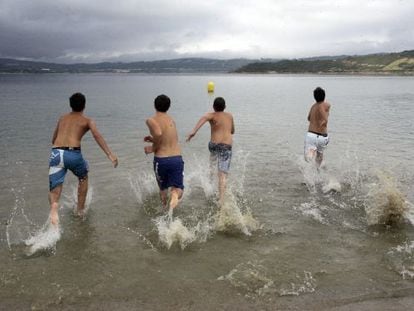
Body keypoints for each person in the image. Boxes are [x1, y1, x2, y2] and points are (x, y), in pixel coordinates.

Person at [48, 92, 118, 225]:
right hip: (73, 153)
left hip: (56, 153)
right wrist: (110, 154)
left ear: (70, 105)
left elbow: (53, 139)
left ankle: (54, 207)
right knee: (83, 177)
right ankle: (80, 211)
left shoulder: (62, 118)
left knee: (55, 187)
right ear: (84, 105)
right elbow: (97, 136)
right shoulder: (87, 120)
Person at [186, 97, 235, 204]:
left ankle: (210, 183)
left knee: (212, 165)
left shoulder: (211, 115)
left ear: (213, 107)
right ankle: (221, 200)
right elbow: (232, 131)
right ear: (225, 107)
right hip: (226, 147)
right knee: (222, 175)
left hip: (213, 145)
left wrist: (193, 132)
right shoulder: (230, 116)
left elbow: (202, 119)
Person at [144, 94, 184, 210]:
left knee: (162, 189)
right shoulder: (171, 120)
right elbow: (169, 140)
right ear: (168, 107)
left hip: (162, 160)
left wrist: (152, 148)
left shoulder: (151, 120)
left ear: (154, 105)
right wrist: (153, 140)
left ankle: (165, 211)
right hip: (176, 158)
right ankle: (175, 196)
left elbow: (158, 134)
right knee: (178, 189)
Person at [304, 87, 331, 167]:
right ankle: (318, 171)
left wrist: (324, 121)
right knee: (319, 155)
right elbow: (325, 111)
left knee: (308, 157)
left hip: (312, 135)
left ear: (314, 97)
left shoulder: (314, 106)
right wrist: (324, 119)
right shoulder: (326, 105)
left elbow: (309, 118)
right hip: (323, 137)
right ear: (324, 96)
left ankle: (311, 152)